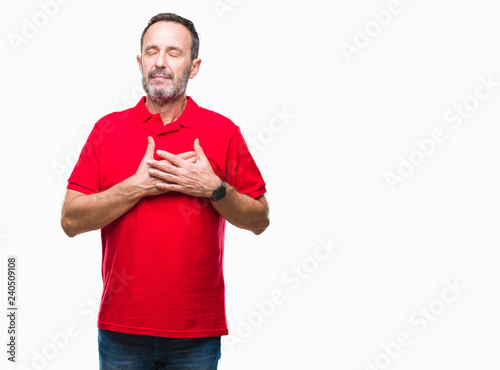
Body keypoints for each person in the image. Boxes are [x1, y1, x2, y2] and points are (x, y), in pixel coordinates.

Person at [60, 12, 269, 369]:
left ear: (194, 65)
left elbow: (259, 219)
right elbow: (70, 221)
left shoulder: (223, 132)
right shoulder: (107, 130)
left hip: (196, 332)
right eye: (152, 52)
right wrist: (134, 188)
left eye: (174, 52)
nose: (160, 62)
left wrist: (213, 189)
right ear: (140, 62)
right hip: (121, 330)